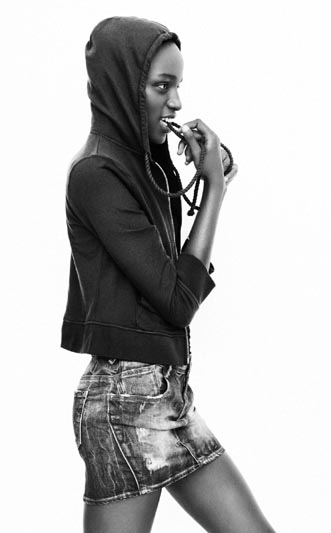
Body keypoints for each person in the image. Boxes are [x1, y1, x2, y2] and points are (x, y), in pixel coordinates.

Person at [62, 16, 275, 533]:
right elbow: (177, 301)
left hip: (165, 395)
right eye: (162, 86)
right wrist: (213, 192)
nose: (177, 102)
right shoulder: (96, 174)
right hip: (125, 404)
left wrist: (206, 180)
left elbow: (172, 282)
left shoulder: (144, 165)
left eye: (178, 85)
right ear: (123, 88)